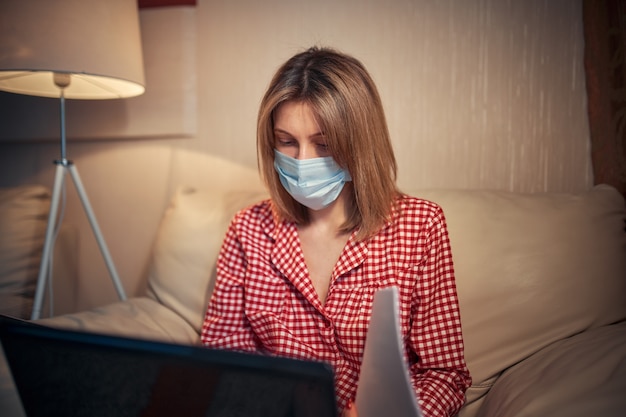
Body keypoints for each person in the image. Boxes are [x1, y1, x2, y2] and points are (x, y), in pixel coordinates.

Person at [201, 46, 471, 417]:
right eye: (286, 141)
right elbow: (223, 356)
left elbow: (443, 374)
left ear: (358, 145)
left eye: (324, 144)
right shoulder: (248, 229)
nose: (302, 162)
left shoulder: (420, 226)